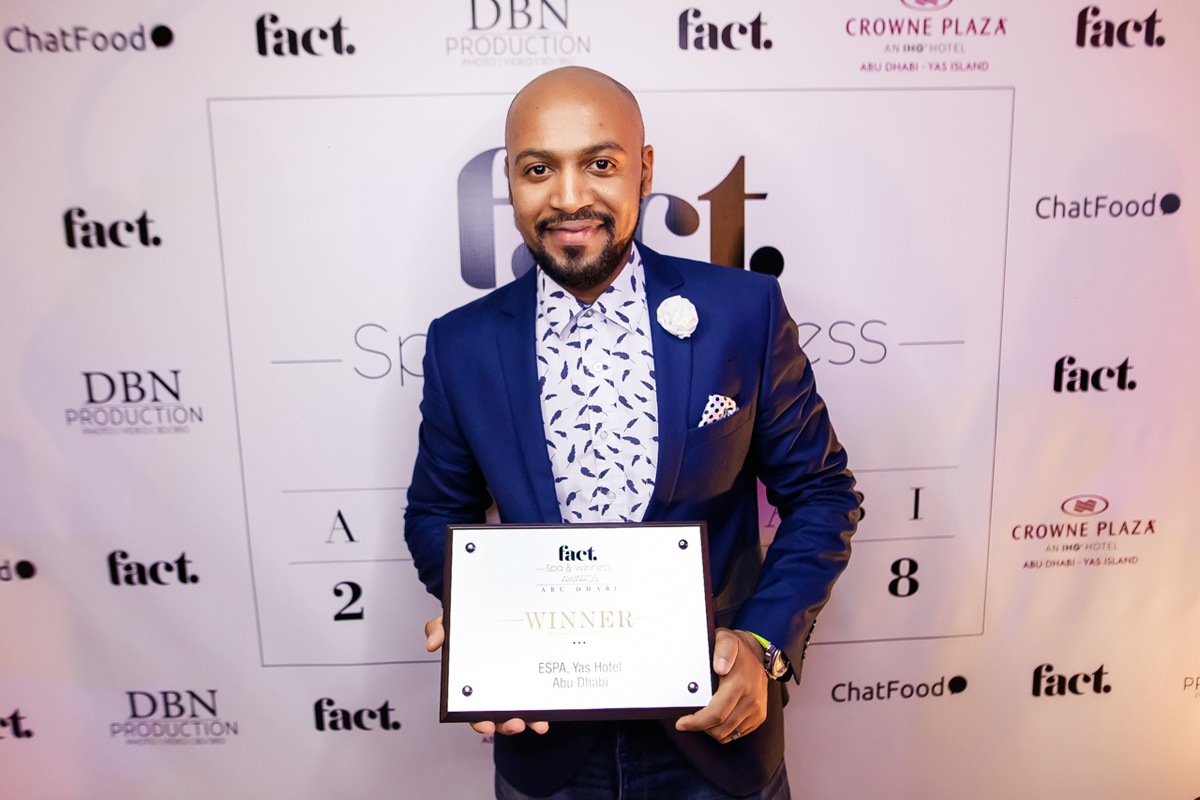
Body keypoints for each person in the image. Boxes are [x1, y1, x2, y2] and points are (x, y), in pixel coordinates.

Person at [404, 66, 860, 800]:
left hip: (718, 736)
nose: (569, 197)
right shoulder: (461, 344)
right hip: (545, 751)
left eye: (600, 164)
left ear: (644, 170)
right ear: (510, 181)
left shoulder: (743, 311)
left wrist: (763, 644)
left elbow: (822, 494)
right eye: (538, 169)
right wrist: (481, 620)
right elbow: (436, 511)